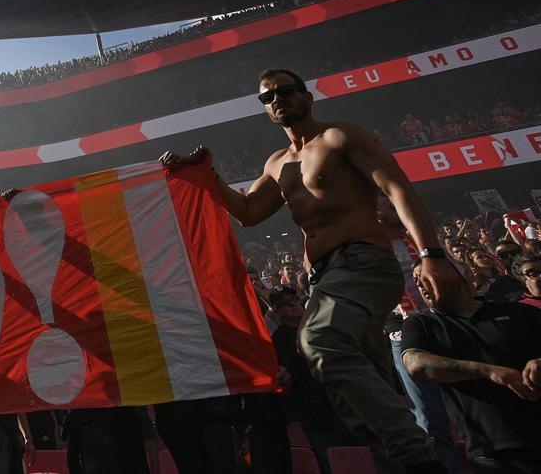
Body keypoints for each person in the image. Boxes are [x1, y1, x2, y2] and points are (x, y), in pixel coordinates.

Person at [160, 68, 463, 473]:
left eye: (285, 91)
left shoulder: (341, 137)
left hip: (363, 262)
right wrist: (206, 174)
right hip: (323, 279)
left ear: (307, 97)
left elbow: (398, 189)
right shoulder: (277, 164)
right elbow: (248, 213)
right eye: (267, 97)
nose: (277, 100)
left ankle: (420, 460)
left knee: (319, 342)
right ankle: (398, 463)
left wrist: (431, 253)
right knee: (356, 386)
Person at [401, 260, 541, 473]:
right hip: (492, 451)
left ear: (465, 275)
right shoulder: (423, 324)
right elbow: (416, 364)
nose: (421, 285)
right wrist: (488, 371)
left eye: (428, 277)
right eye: (417, 281)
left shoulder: (516, 311)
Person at [269, 287, 357, 474]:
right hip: (315, 411)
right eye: (286, 303)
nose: (293, 304)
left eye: (294, 299)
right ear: (277, 312)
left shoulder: (321, 326)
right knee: (333, 462)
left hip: (346, 402)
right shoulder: (279, 339)